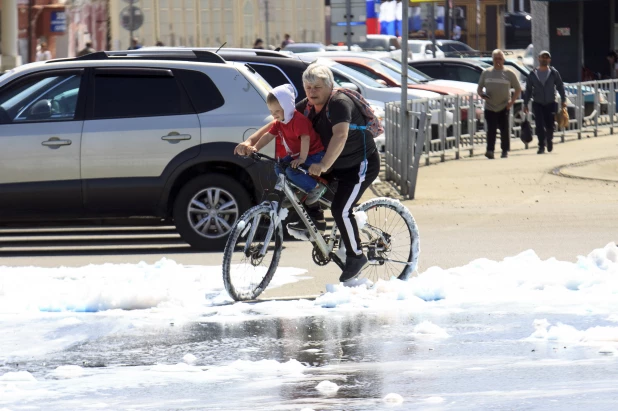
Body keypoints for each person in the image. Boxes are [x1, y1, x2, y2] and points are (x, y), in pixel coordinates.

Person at [235, 64, 381, 282]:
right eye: (308, 87)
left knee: (341, 210)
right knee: (299, 179)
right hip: (331, 164)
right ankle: (314, 220)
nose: (312, 92)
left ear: (330, 86)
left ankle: (356, 255)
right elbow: (279, 121)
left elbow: (340, 136)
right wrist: (250, 141)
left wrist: (322, 165)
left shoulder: (339, 103)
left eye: (318, 87)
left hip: (358, 164)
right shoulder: (309, 106)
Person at [243, 84, 327, 205]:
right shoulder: (280, 122)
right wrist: (256, 147)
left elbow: (305, 139)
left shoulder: (298, 120)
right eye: (271, 111)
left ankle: (315, 188)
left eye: (277, 111)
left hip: (314, 154)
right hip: (298, 154)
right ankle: (293, 190)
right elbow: (268, 136)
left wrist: (301, 159)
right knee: (279, 166)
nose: (274, 114)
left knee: (292, 171)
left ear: (287, 107)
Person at [477, 49, 522, 159]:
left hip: (504, 106)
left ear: (503, 60)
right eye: (496, 58)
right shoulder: (486, 73)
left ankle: (505, 150)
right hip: (490, 106)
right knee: (491, 130)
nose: (498, 61)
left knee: (504, 130)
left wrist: (511, 102)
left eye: (500, 58)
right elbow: (479, 88)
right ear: (492, 60)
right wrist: (482, 95)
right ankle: (490, 150)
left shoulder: (509, 73)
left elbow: (518, 89)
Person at [523, 50, 566, 154]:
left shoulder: (553, 72)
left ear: (549, 60)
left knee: (550, 124)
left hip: (551, 102)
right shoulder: (533, 74)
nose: (544, 59)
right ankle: (541, 145)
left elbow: (560, 86)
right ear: (538, 58)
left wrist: (563, 100)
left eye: (546, 57)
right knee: (539, 125)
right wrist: (525, 103)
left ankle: (549, 140)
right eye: (543, 57)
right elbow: (528, 89)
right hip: (538, 103)